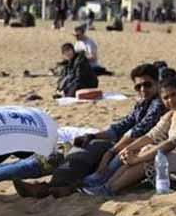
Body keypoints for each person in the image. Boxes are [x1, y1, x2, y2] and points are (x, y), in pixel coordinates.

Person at [14, 63, 165, 198]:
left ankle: (54, 188)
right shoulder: (143, 104)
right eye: (138, 87)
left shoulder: (158, 104)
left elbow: (139, 132)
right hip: (125, 144)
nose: (143, 89)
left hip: (142, 148)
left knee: (95, 154)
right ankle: (56, 186)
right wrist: (91, 135)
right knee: (86, 146)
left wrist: (110, 151)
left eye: (147, 84)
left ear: (158, 84)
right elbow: (121, 126)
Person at [83, 75, 176, 196]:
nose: (170, 100)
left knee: (149, 160)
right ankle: (107, 185)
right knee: (140, 150)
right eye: (166, 98)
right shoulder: (171, 113)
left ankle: (110, 189)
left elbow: (172, 143)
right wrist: (129, 149)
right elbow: (152, 135)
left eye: (174, 95)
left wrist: (137, 159)